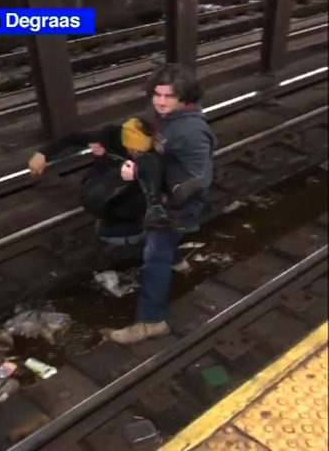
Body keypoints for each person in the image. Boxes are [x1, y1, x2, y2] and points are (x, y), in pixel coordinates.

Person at [107, 63, 217, 345]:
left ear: (184, 97)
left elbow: (199, 180)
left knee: (155, 258)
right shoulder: (166, 117)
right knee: (165, 246)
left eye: (169, 96)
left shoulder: (190, 132)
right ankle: (177, 258)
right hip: (166, 193)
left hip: (177, 203)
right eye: (157, 94)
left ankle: (151, 321)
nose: (161, 101)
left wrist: (166, 204)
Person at [26, 117, 195, 269]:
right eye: (134, 150)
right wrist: (43, 154)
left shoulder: (155, 151)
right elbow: (73, 138)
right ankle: (168, 254)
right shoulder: (109, 137)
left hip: (129, 193)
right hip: (103, 186)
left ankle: (157, 245)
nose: (137, 154)